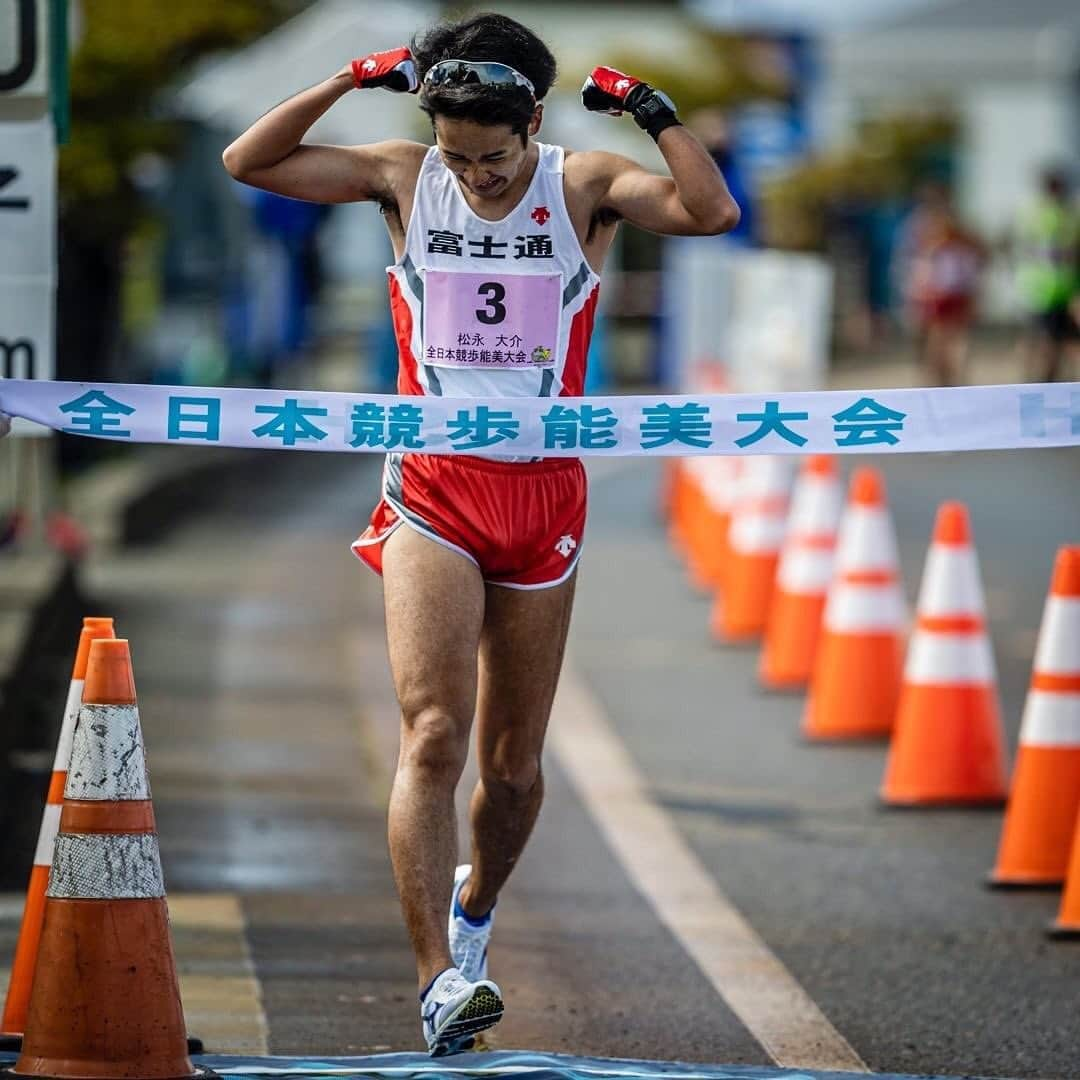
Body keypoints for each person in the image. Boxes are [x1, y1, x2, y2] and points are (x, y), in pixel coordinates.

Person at [222, 12, 739, 1056]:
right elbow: (251, 160)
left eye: (493, 159)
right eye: (458, 157)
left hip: (544, 500)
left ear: (532, 126)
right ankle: (436, 985)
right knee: (433, 733)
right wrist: (342, 78)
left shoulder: (583, 185)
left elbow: (709, 209)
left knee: (512, 769)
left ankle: (477, 911)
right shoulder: (404, 174)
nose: (476, 179)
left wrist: (652, 111)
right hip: (435, 491)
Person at [897, 182, 985, 386]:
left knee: (939, 340)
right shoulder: (961, 226)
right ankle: (953, 382)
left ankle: (939, 384)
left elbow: (916, 260)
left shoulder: (922, 225)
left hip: (937, 288)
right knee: (954, 339)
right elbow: (978, 256)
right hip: (956, 288)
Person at [1015, 167, 1080, 382]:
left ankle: (1040, 381)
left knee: (1050, 338)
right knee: (1052, 340)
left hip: (1044, 286)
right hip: (1052, 287)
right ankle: (1043, 382)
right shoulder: (1063, 214)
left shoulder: (1033, 213)